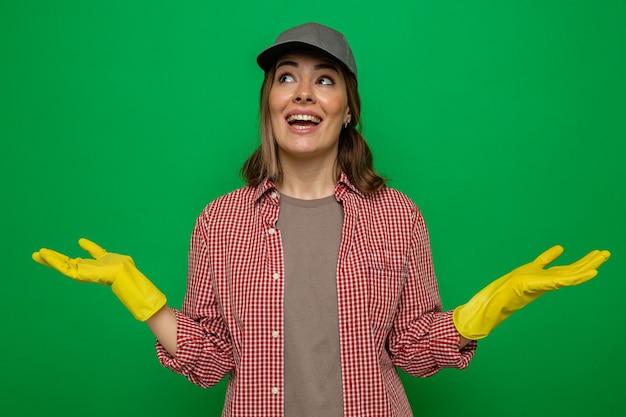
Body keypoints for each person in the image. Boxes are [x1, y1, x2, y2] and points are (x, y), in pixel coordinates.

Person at [32, 22, 610, 417]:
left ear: (348, 108)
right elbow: (210, 361)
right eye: (286, 76)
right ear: (269, 103)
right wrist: (142, 298)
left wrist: (492, 306)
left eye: (324, 79)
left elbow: (412, 349)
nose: (303, 93)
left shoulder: (396, 216)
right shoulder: (221, 222)